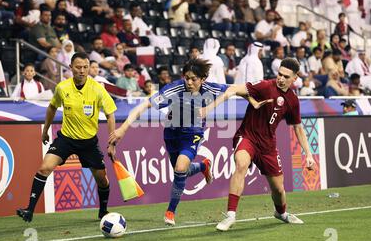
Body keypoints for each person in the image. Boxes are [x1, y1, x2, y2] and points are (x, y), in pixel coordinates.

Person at [109, 59, 240, 226]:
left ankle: (171, 211)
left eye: (194, 79)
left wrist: (253, 97)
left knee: (180, 168)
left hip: (193, 133)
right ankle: (203, 166)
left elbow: (236, 89)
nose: (190, 82)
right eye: (187, 78)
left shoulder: (211, 88)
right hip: (172, 133)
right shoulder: (174, 89)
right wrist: (123, 129)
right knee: (181, 172)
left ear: (202, 79)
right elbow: (143, 106)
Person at [200, 58, 315, 231]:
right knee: (241, 164)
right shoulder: (264, 86)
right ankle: (230, 214)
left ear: (295, 78)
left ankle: (281, 213)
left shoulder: (292, 100)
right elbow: (233, 89)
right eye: (279, 74)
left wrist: (309, 155)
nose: (281, 78)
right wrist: (207, 110)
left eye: (286, 76)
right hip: (247, 136)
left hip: (268, 145)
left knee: (278, 189)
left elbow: (298, 128)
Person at [17, 52, 117, 222]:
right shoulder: (62, 88)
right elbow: (51, 108)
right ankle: (29, 210)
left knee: (102, 179)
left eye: (86, 67)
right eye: (78, 67)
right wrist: (45, 130)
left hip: (88, 142)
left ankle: (103, 211)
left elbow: (110, 114)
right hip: (66, 139)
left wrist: (112, 143)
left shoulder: (98, 89)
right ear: (70, 68)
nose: (82, 71)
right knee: (44, 168)